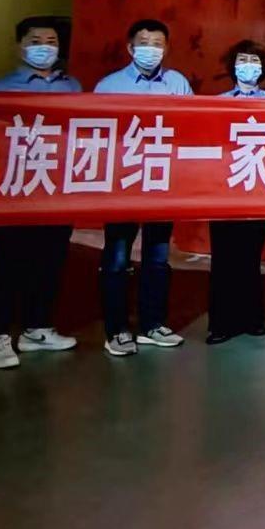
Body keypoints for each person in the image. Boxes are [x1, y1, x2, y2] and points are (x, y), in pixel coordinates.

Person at [0, 17, 82, 370]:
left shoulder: (72, 87)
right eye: (36, 40)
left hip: (56, 191)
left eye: (51, 41)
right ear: (19, 46)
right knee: (7, 264)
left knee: (50, 262)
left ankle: (37, 328)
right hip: (14, 192)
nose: (44, 47)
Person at [93, 18, 192, 357]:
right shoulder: (109, 86)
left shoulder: (177, 83)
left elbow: (192, 127)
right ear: (130, 47)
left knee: (158, 257)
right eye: (144, 43)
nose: (151, 50)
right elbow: (96, 135)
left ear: (166, 48)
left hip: (162, 185)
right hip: (122, 186)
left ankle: (153, 324)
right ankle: (117, 329)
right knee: (117, 258)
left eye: (158, 44)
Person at [207, 40, 265, 345]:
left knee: (251, 257)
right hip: (225, 193)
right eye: (243, 60)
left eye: (255, 60)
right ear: (233, 66)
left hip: (258, 192)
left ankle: (252, 319)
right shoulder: (217, 104)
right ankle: (221, 324)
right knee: (223, 258)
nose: (249, 66)